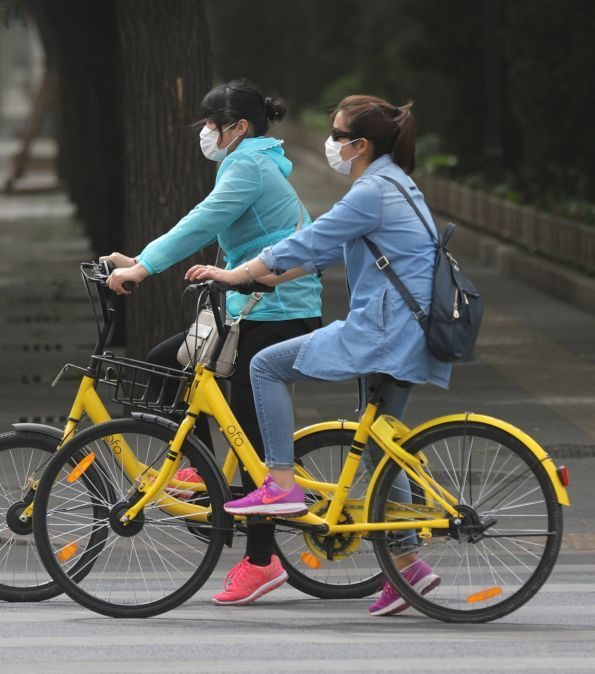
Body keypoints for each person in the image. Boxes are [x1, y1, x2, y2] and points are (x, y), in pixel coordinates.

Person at [186, 94, 451, 616]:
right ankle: (409, 569)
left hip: (383, 332)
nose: (330, 143)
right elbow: (316, 255)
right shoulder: (399, 183)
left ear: (360, 145)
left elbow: (307, 244)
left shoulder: (371, 191)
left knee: (264, 365)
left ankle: (280, 484)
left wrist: (237, 274)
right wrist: (257, 277)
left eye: (337, 135)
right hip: (411, 331)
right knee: (380, 448)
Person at [102, 79, 323, 606]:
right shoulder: (251, 161)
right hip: (248, 307)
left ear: (238, 127)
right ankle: (196, 467)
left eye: (210, 124)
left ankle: (263, 562)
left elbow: (201, 221)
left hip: (275, 312)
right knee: (166, 362)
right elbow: (207, 225)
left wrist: (144, 266)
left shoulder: (247, 165)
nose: (205, 133)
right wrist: (141, 259)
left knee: (250, 437)